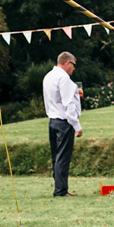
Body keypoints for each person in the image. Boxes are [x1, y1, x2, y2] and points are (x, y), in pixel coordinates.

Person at [42, 52, 82, 197]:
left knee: (56, 157)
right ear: (67, 63)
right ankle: (61, 191)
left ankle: (59, 187)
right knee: (63, 157)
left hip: (52, 120)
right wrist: (77, 125)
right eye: (73, 65)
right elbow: (68, 104)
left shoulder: (48, 76)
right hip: (63, 122)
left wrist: (75, 93)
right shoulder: (64, 78)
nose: (74, 69)